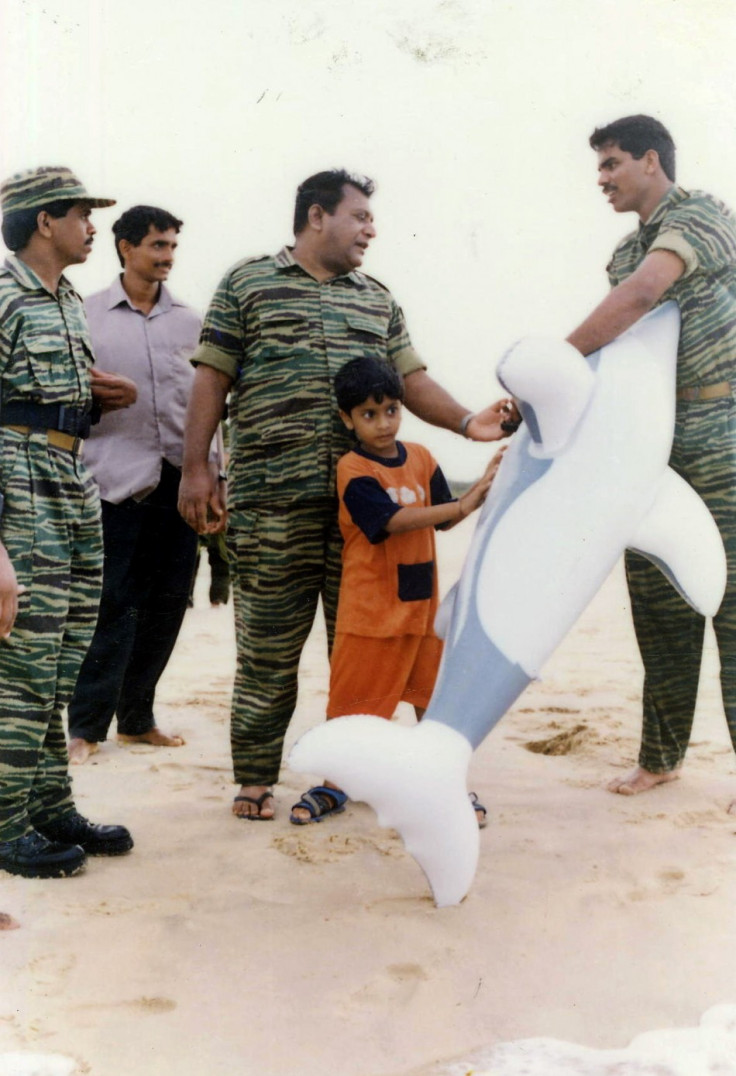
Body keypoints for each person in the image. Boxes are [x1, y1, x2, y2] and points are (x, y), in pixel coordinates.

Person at [178, 168, 518, 820]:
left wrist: (467, 421)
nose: (371, 229)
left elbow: (410, 378)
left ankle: (359, 771)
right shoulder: (248, 283)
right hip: (272, 504)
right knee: (267, 654)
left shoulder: (377, 299)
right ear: (316, 216)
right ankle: (254, 777)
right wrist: (198, 469)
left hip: (367, 520)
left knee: (370, 649)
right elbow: (211, 378)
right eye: (359, 216)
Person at [565, 115, 736, 797]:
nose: (601, 179)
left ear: (651, 161)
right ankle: (660, 758)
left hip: (722, 429)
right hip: (651, 440)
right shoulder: (620, 252)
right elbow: (620, 349)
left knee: (733, 602)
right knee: (658, 600)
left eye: (611, 164)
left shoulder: (701, 216)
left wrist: (556, 358)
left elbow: (642, 296)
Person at [289, 356, 503, 826]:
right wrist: (464, 501)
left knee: (435, 703)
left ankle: (448, 785)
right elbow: (389, 521)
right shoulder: (353, 467)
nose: (383, 423)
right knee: (353, 709)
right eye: (368, 414)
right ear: (347, 418)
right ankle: (334, 786)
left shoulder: (423, 459)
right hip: (370, 613)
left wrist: (487, 486)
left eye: (390, 410)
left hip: (423, 611)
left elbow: (448, 515)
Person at [0, 166, 136, 878]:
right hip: (18, 486)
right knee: (23, 663)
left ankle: (47, 803)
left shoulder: (65, 301)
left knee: (62, 655)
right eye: (82, 213)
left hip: (70, 475)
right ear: (44, 221)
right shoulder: (3, 296)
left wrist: (92, 397)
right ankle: (4, 820)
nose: (93, 226)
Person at [66, 205, 213, 764]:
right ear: (125, 247)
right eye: (157, 245)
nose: (167, 257)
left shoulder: (192, 323)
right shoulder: (86, 316)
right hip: (112, 482)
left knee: (169, 603)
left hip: (180, 483)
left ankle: (138, 718)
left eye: (173, 246)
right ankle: (85, 728)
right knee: (111, 605)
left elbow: (209, 406)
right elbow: (69, 397)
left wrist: (213, 476)